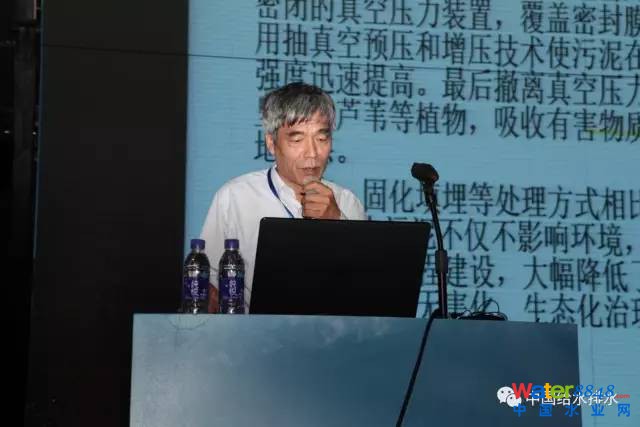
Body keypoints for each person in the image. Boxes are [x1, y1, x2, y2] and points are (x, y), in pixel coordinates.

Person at [200, 82, 366, 312]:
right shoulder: (235, 197)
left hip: (331, 330)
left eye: (322, 139)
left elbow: (365, 286)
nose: (312, 153)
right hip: (254, 330)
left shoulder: (347, 202)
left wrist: (337, 224)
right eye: (297, 140)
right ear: (271, 143)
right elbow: (207, 282)